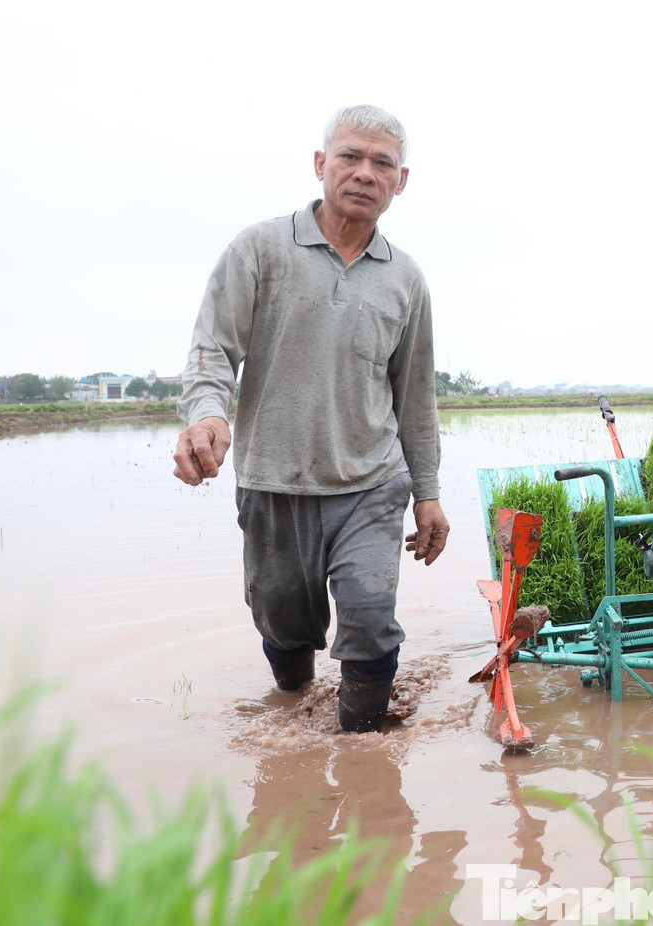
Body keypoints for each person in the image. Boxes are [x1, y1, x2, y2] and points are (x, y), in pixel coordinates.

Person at [172, 104, 450, 732]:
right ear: (322, 164)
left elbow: (415, 397)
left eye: (383, 164)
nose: (365, 173)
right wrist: (208, 416)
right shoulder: (260, 250)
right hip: (274, 481)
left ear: (400, 181)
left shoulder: (406, 279)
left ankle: (364, 755)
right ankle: (294, 700)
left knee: (370, 613)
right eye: (350, 157)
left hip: (372, 484)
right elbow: (212, 349)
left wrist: (427, 496)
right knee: (282, 623)